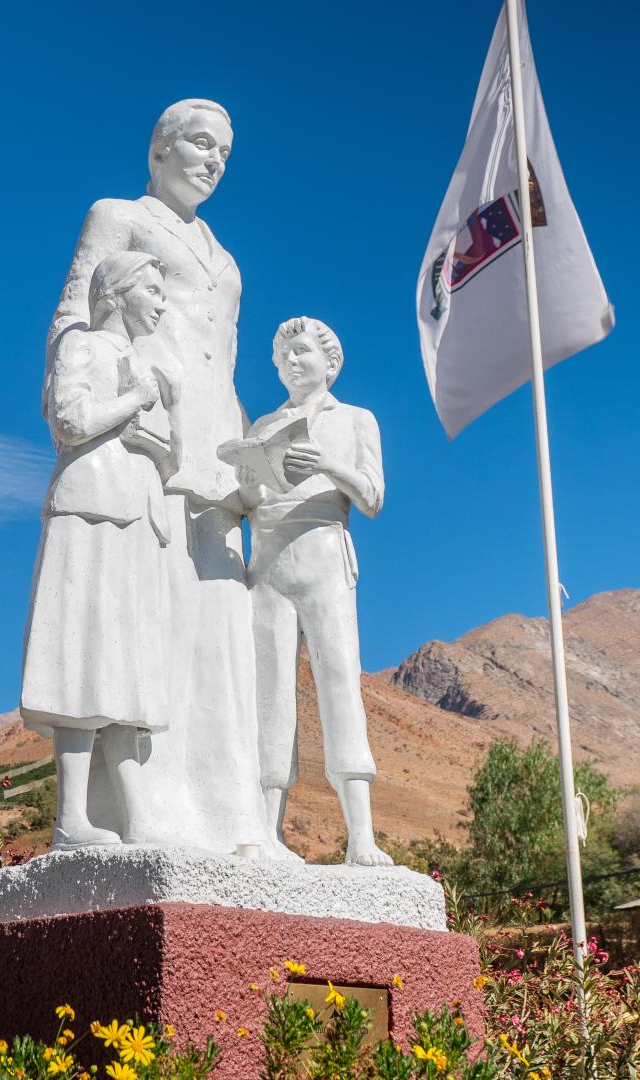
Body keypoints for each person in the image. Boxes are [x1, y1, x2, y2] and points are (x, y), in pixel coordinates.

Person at [46, 100, 262, 853]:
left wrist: (247, 451)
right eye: (201, 144)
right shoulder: (118, 216)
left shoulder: (225, 260)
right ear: (160, 149)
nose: (214, 161)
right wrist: (85, 399)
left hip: (217, 454)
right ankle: (146, 810)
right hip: (143, 444)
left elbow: (224, 361)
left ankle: (233, 815)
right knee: (144, 627)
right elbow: (74, 316)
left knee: (220, 636)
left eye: (226, 152)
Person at [21, 251, 173, 848]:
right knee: (81, 656)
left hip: (138, 515)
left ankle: (139, 819)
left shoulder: (145, 364)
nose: (162, 302)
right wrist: (133, 402)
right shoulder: (79, 346)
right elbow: (69, 419)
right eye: (153, 290)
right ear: (116, 294)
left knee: (127, 663)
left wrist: (156, 436)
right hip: (88, 506)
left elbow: (170, 452)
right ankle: (71, 820)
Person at [239, 317, 390, 866]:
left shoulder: (355, 420)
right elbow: (244, 497)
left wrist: (328, 463)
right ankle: (266, 828)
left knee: (338, 681)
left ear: (329, 361)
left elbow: (372, 496)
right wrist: (251, 477)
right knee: (269, 690)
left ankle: (362, 836)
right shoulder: (262, 423)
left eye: (300, 352)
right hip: (268, 559)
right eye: (282, 357)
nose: (289, 363)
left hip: (325, 550)